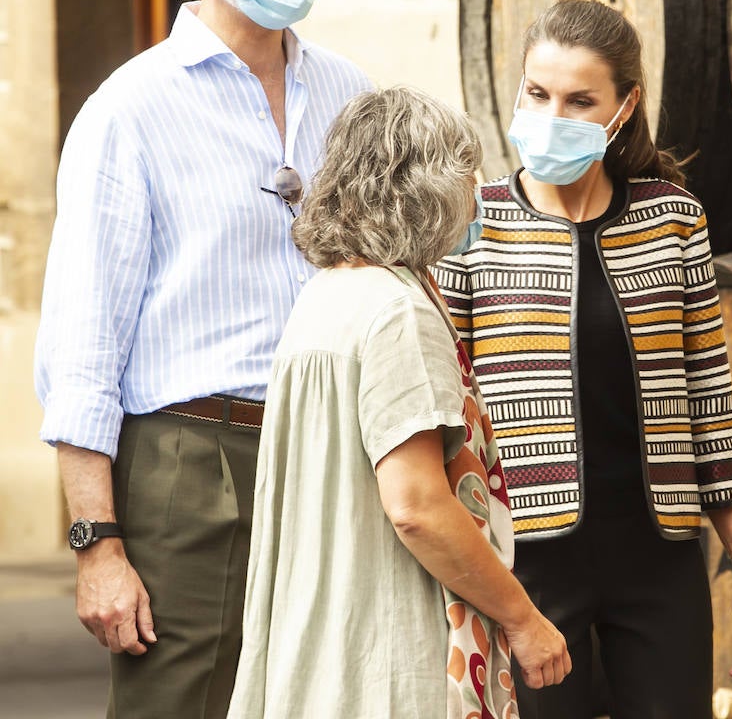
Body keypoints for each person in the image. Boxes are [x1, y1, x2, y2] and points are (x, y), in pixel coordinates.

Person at [32, 0, 370, 717]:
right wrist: (96, 542)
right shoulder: (129, 112)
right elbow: (82, 347)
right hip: (194, 462)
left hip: (338, 455)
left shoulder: (350, 96)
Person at [434, 0, 732, 718]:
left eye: (579, 100)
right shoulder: (473, 224)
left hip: (659, 558)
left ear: (624, 108)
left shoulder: (673, 217)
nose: (551, 115)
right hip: (526, 561)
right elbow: (450, 414)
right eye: (538, 94)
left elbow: (708, 402)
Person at [225, 86, 569, 718]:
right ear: (428, 191)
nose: (478, 195)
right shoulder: (398, 312)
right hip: (386, 664)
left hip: (321, 655)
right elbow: (415, 506)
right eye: (468, 175)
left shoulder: (325, 295)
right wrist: (523, 618)